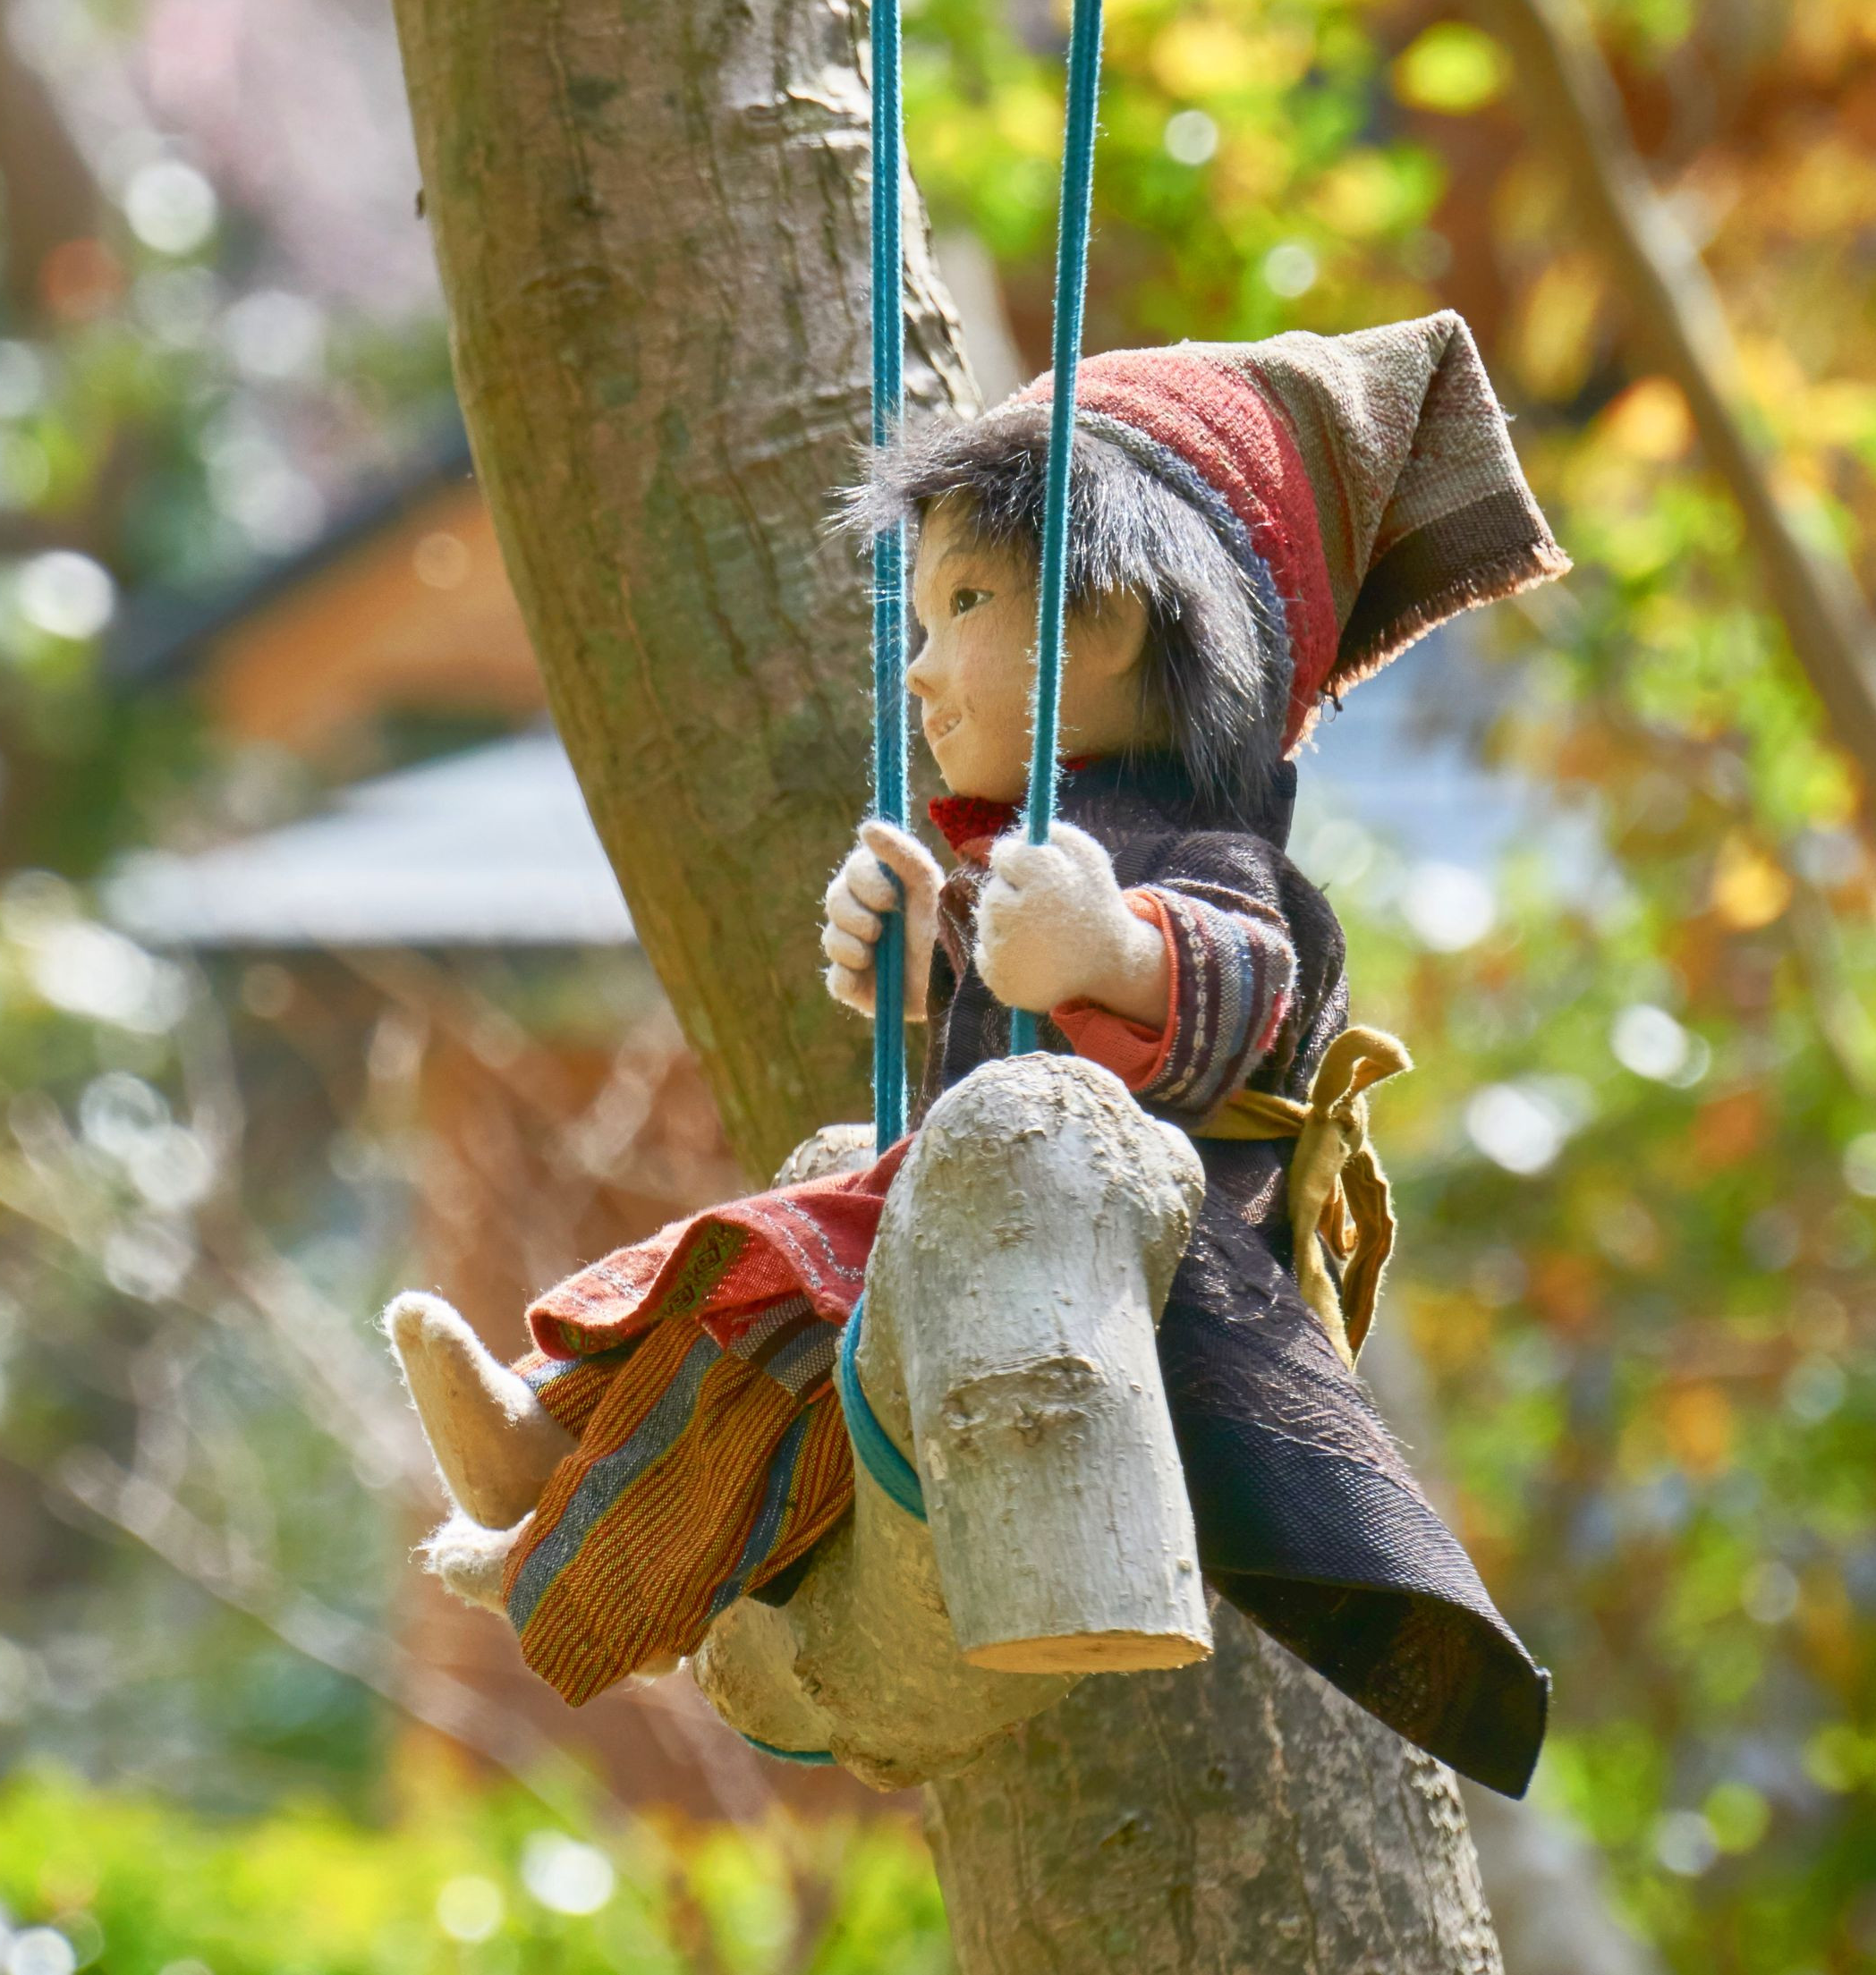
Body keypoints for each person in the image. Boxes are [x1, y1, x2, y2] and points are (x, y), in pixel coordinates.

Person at [388, 311, 1564, 1795]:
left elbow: (1240, 985)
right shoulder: (1024, 860)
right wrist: (907, 967)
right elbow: (986, 999)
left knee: (779, 1268)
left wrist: (1111, 950)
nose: (921, 669)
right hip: (953, 1246)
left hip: (1151, 1277)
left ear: (1107, 624)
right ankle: (561, 1477)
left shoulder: (1214, 865)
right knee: (774, 1324)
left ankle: (562, 1463)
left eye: (960, 604)